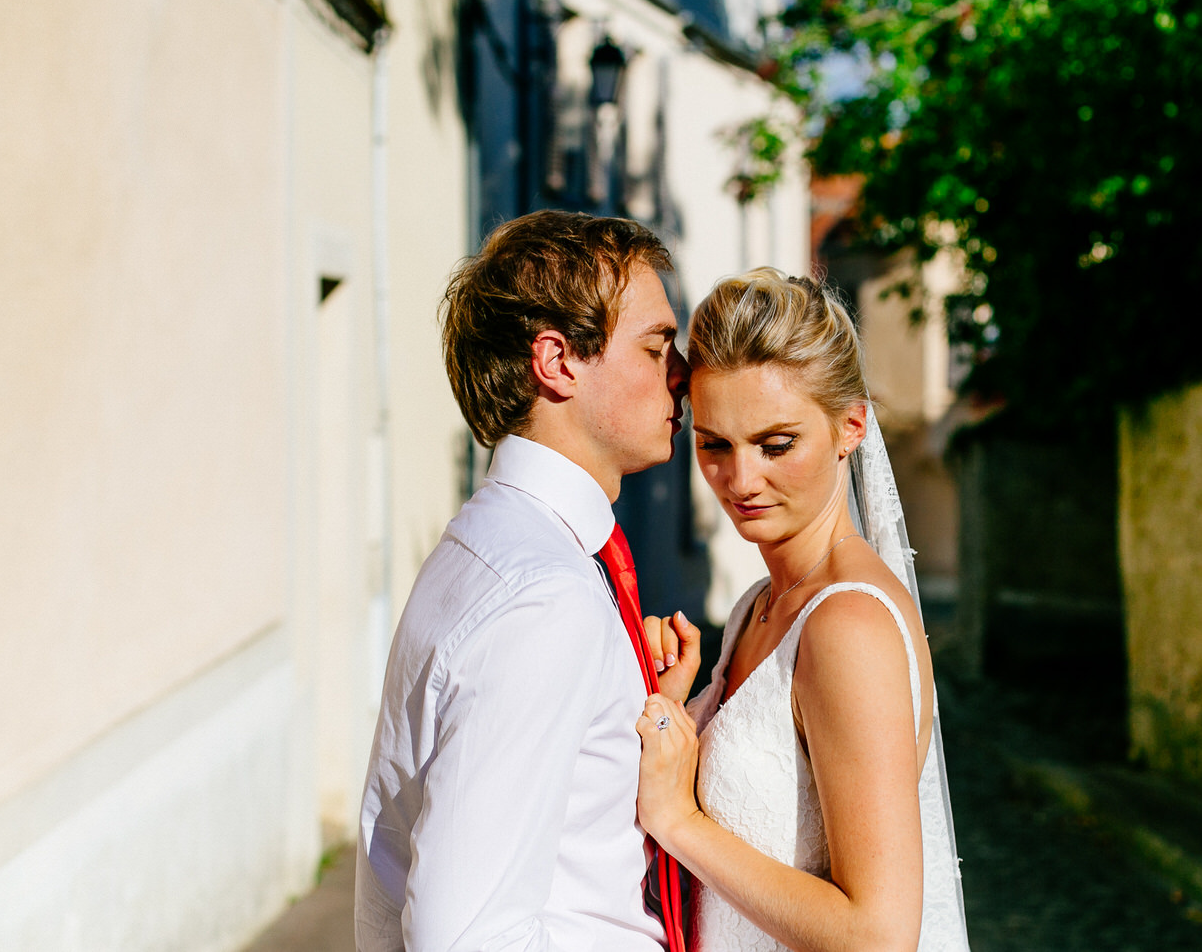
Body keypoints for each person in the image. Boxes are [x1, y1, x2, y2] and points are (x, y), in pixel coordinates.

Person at [355, 210, 701, 951]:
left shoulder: (494, 547)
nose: (683, 374)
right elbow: (465, 936)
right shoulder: (545, 597)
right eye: (655, 346)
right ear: (557, 361)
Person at [635, 269, 971, 951]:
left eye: (777, 443)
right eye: (715, 444)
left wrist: (679, 822)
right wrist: (674, 711)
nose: (741, 479)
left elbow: (878, 934)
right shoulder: (759, 606)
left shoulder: (847, 626)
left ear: (851, 426)